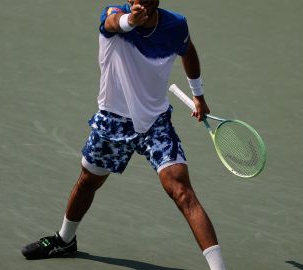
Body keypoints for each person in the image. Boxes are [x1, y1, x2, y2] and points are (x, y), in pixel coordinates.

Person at [21, 1, 226, 269]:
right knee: (88, 181)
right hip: (113, 123)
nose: (138, 1)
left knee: (183, 192)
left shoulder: (175, 24)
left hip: (155, 124)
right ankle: (65, 239)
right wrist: (132, 21)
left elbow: (187, 50)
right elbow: (114, 23)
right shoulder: (113, 15)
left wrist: (198, 95)